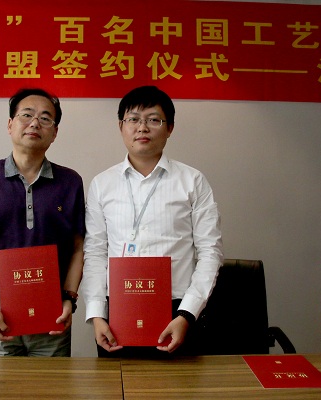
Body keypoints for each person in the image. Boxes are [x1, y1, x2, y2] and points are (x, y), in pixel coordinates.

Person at [80, 85, 224, 357]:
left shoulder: (192, 181)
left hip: (177, 311)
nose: (142, 127)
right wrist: (98, 314)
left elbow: (210, 252)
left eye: (153, 120)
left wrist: (187, 314)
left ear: (170, 128)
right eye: (133, 119)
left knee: (179, 383)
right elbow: (95, 252)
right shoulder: (102, 184)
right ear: (121, 126)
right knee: (117, 382)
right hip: (118, 311)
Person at [0, 88, 85, 357]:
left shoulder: (70, 182)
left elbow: (78, 247)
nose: (35, 123)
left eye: (45, 118)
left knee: (53, 382)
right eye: (26, 115)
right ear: (10, 125)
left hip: (52, 311)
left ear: (55, 132)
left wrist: (69, 299)